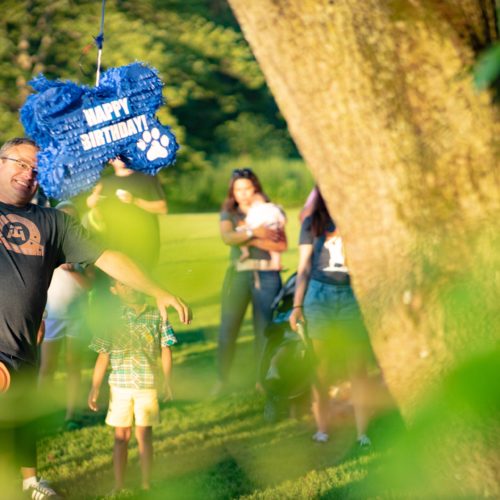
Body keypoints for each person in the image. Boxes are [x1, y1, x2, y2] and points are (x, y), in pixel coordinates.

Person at [0, 138, 191, 499]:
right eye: (20, 164)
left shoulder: (53, 223)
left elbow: (108, 257)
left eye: (37, 169)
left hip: (23, 346)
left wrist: (157, 290)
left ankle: (29, 483)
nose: (29, 174)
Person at [289, 186, 372, 446]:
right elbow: (303, 268)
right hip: (319, 295)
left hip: (352, 296)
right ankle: (322, 428)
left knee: (357, 368)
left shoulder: (360, 220)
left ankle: (362, 433)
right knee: (321, 367)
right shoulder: (313, 222)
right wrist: (297, 306)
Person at [88, 280, 176, 492]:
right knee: (121, 437)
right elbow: (103, 355)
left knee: (145, 436)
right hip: (120, 386)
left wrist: (167, 381)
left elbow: (166, 349)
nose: (130, 288)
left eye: (132, 283)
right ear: (114, 289)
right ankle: (119, 485)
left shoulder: (157, 314)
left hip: (148, 385)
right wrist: (95, 387)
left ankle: (147, 483)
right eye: (122, 284)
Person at [214, 168, 287, 395]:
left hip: (267, 276)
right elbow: (227, 238)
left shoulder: (271, 211)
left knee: (264, 331)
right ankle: (221, 381)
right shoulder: (229, 213)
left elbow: (280, 246)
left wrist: (247, 239)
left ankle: (261, 381)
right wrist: (256, 233)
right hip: (238, 275)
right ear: (232, 192)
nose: (243, 194)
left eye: (247, 188)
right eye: (238, 189)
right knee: (228, 329)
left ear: (255, 188)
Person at [38, 201, 91, 431]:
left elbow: (90, 285)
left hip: (77, 318)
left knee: (73, 367)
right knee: (47, 368)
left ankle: (72, 414)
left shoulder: (84, 249)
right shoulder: (45, 248)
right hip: (52, 317)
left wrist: (72, 270)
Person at [86, 156, 167, 271]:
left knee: (143, 280)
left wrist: (134, 200)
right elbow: (91, 204)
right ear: (110, 160)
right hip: (115, 242)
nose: (121, 158)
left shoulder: (147, 177)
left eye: (124, 154)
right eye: (117, 156)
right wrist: (95, 195)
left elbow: (162, 208)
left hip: (144, 240)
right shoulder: (106, 182)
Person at [236, 192, 286, 270]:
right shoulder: (273, 207)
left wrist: (245, 226)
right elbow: (281, 219)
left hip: (257, 230)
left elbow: (249, 221)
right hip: (272, 228)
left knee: (241, 236)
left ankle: (245, 252)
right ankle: (276, 264)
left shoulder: (253, 209)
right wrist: (281, 225)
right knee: (274, 251)